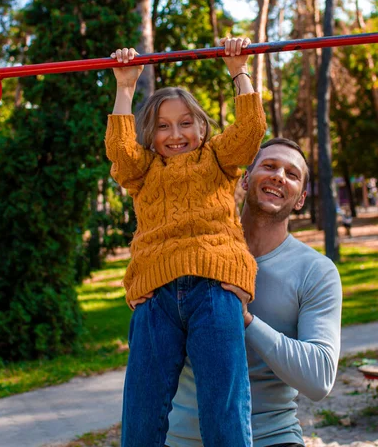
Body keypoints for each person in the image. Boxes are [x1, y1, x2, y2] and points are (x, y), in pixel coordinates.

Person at [105, 38, 267, 447]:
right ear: (151, 132)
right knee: (141, 414)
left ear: (201, 126)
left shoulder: (216, 158)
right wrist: (125, 86)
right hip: (154, 295)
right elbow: (121, 154)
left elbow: (250, 131)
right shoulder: (143, 171)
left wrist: (238, 70)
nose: (175, 134)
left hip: (214, 288)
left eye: (184, 123)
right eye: (162, 125)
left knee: (224, 411)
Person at [165, 137, 343, 447]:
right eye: (270, 166)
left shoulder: (316, 272)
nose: (278, 176)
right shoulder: (192, 252)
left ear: (300, 199)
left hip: (271, 436)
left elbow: (319, 379)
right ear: (246, 179)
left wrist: (246, 319)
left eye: (291, 174)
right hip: (183, 437)